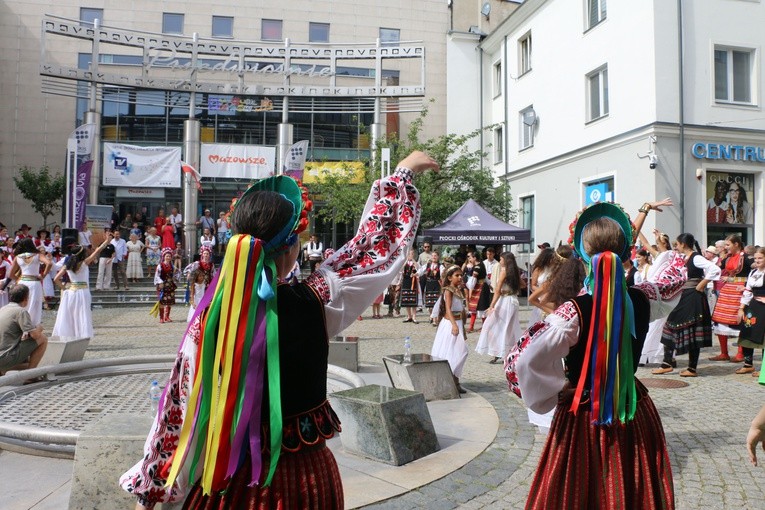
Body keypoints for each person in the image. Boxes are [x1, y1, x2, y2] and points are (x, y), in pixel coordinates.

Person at [120, 150, 437, 509]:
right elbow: (374, 246)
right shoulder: (319, 299)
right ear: (291, 249)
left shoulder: (209, 316)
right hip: (305, 479)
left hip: (229, 481)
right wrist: (403, 174)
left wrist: (151, 490)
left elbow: (178, 406)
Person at [506, 198, 682, 509]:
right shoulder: (643, 297)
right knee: (632, 479)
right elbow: (671, 284)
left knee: (576, 486)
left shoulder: (571, 312)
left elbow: (524, 360)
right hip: (632, 405)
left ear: (583, 255)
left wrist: (556, 391)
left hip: (584, 410)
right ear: (626, 253)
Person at [652, 233, 721, 377]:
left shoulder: (696, 257)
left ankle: (691, 368)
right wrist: (659, 242)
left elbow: (715, 269)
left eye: (677, 244)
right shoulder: (683, 257)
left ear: (683, 244)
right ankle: (667, 363)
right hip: (683, 296)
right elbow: (665, 255)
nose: (676, 247)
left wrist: (701, 284)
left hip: (693, 297)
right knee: (669, 325)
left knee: (692, 331)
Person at [52, 235, 112, 340]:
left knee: (71, 315)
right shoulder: (84, 263)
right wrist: (106, 241)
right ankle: (82, 336)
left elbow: (56, 278)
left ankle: (71, 335)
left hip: (71, 292)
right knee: (82, 314)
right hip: (83, 292)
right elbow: (97, 251)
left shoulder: (67, 265)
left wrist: (64, 288)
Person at [710, 234, 751, 362]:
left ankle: (740, 353)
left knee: (739, 320)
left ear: (736, 244)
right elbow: (715, 268)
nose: (726, 248)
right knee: (720, 319)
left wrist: (733, 279)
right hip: (727, 290)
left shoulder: (746, 258)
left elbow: (753, 275)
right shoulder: (727, 258)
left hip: (740, 289)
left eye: (728, 245)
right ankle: (724, 353)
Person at [475, 252, 522, 364]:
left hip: (505, 301)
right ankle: (509, 351)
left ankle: (498, 352)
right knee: (510, 326)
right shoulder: (515, 271)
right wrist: (513, 288)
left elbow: (497, 290)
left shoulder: (504, 272)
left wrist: (491, 305)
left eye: (501, 259)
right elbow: (523, 284)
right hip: (513, 300)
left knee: (496, 325)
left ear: (505, 260)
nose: (500, 261)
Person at [637, 229, 675, 365]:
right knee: (654, 325)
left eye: (659, 241)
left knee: (659, 325)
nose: (657, 243)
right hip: (655, 292)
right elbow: (645, 243)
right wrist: (639, 230)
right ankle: (647, 355)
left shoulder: (669, 256)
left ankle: (657, 355)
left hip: (664, 293)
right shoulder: (660, 255)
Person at [430, 265, 468, 393]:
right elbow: (448, 309)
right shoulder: (448, 290)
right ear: (450, 277)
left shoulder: (458, 289)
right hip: (450, 324)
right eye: (457, 275)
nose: (460, 277)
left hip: (458, 322)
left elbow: (461, 308)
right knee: (453, 351)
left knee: (459, 352)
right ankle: (449, 380)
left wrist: (462, 322)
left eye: (461, 275)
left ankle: (455, 380)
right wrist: (454, 325)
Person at [0, 285, 48, 376]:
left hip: (3, 355)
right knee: (42, 338)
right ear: (26, 298)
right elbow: (35, 335)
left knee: (29, 360)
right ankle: (30, 376)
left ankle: (2, 371)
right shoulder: (21, 311)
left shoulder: (3, 309)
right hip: (6, 358)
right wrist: (39, 328)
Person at [735, 246, 765, 375]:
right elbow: (747, 291)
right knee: (747, 331)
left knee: (763, 336)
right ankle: (748, 364)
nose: (757, 260)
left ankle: (764, 369)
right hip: (753, 306)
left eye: (761, 258)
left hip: (764, 307)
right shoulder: (753, 272)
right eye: (756, 258)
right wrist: (741, 308)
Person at [10, 238, 52, 327]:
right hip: (34, 283)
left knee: (22, 304)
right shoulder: (37, 255)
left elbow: (11, 274)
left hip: (22, 283)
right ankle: (33, 327)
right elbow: (49, 263)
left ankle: (21, 326)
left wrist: (19, 280)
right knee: (34, 305)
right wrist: (43, 276)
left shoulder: (18, 257)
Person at [186, 246, 215, 323]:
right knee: (199, 300)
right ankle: (197, 317)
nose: (206, 255)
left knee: (208, 301)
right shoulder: (197, 263)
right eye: (205, 253)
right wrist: (189, 274)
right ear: (202, 254)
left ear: (209, 255)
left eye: (207, 254)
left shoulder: (211, 265)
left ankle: (205, 316)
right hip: (199, 285)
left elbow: (213, 275)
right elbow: (189, 269)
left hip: (208, 286)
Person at [475, 247, 499, 331]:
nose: (489, 256)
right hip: (485, 285)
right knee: (484, 304)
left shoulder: (497, 263)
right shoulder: (483, 263)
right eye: (487, 254)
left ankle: (492, 324)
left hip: (493, 284)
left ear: (493, 254)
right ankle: (484, 324)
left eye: (490, 254)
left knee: (491, 304)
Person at [463, 251, 487, 332]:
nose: (469, 259)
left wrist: (468, 286)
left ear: (475, 258)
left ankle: (483, 327)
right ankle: (472, 327)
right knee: (474, 307)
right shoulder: (481, 265)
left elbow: (472, 280)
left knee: (482, 307)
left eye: (471, 257)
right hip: (481, 287)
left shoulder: (477, 267)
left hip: (480, 288)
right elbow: (486, 278)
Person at [154, 248, 177, 324]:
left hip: (170, 285)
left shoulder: (172, 266)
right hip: (162, 285)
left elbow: (176, 274)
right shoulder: (160, 266)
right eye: (167, 256)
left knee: (169, 301)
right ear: (164, 256)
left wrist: (175, 277)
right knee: (161, 301)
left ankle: (167, 316)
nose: (168, 257)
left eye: (169, 256)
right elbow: (157, 275)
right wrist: (160, 283)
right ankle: (161, 317)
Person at [400, 248, 421, 323]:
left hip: (413, 282)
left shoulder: (415, 263)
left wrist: (413, 261)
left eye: (412, 254)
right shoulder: (404, 263)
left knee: (413, 299)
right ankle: (409, 316)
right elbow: (400, 270)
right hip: (406, 281)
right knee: (406, 299)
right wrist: (406, 260)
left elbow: (419, 269)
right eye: (409, 254)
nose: (410, 255)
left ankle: (414, 317)